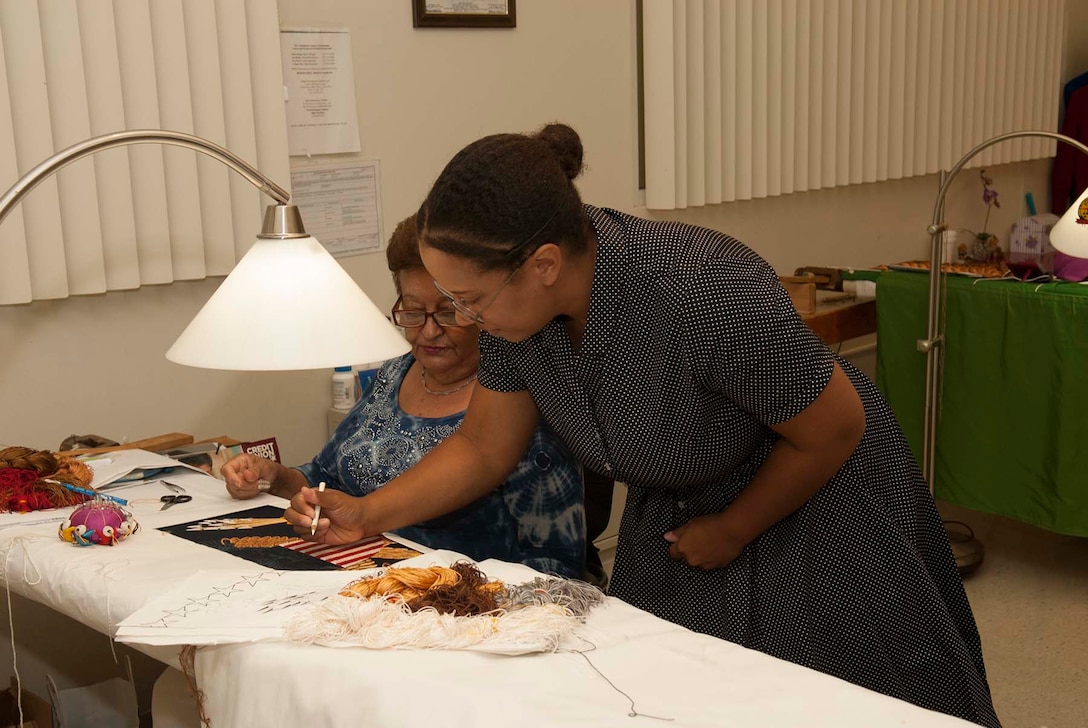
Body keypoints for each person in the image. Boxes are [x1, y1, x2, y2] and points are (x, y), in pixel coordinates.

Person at [284, 124, 1000, 727]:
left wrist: (735, 527)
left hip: (811, 484)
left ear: (542, 264)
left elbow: (835, 427)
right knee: (669, 693)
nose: (460, 318)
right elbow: (483, 445)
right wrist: (364, 513)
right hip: (686, 500)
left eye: (466, 299)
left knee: (830, 698)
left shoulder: (701, 291)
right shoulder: (515, 313)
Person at [223, 215, 586, 579]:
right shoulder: (396, 372)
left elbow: (555, 564)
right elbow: (323, 478)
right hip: (358, 584)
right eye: (412, 311)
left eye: (448, 312)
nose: (428, 331)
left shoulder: (512, 404)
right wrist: (275, 478)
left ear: (481, 309)